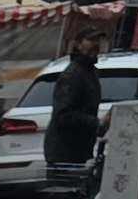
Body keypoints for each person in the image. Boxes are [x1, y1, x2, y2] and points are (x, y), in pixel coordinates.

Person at [40, 41, 105, 177]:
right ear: (78, 44)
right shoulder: (73, 75)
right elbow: (63, 114)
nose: (96, 45)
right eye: (91, 40)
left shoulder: (89, 71)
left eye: (99, 41)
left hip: (79, 149)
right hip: (64, 151)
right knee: (63, 192)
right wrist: (95, 123)